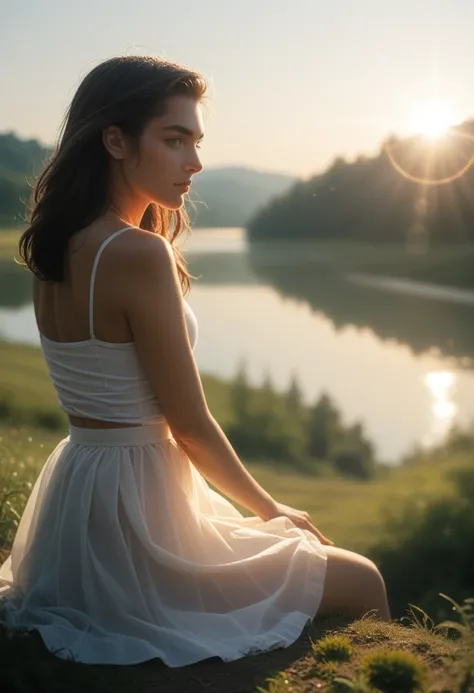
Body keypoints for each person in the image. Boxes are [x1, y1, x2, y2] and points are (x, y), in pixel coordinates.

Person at [0, 55, 390, 667]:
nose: (196, 162)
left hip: (80, 499)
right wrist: (273, 509)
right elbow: (191, 425)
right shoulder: (136, 251)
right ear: (115, 140)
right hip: (138, 518)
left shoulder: (57, 242)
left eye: (197, 141)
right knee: (364, 579)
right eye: (175, 139)